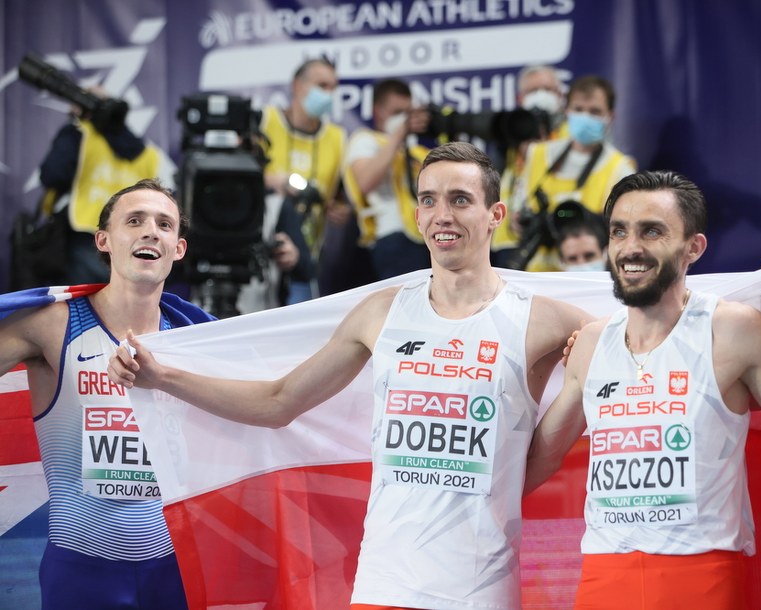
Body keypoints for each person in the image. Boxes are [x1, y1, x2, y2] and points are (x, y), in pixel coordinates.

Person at [109, 142, 592, 609]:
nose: (442, 214)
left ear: (496, 216)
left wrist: (580, 383)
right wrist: (164, 378)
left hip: (480, 590)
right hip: (382, 585)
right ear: (418, 215)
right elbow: (278, 402)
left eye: (460, 199)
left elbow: (641, 351)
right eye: (429, 200)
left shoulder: (543, 320)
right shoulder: (382, 313)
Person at [525, 170, 761, 609]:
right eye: (619, 231)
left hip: (701, 577)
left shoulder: (732, 331)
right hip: (602, 577)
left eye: (652, 231)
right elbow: (534, 463)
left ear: (693, 247)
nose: (630, 247)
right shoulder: (593, 343)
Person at [0, 179, 214, 609]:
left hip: (174, 568)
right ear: (104, 240)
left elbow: (274, 402)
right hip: (79, 565)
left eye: (164, 225)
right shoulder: (52, 325)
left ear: (178, 249)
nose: (151, 231)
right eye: (134, 221)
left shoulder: (198, 339)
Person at [38, 88, 173, 284]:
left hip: (86, 237)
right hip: (134, 243)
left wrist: (73, 126)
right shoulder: (146, 151)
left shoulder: (79, 135)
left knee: (85, 307)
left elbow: (52, 175)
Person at [509, 74, 636, 271]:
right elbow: (517, 217)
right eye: (578, 110)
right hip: (537, 276)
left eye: (595, 111)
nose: (585, 117)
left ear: (611, 116)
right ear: (566, 110)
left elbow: (622, 232)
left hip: (586, 276)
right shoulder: (537, 154)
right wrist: (522, 222)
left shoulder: (620, 167)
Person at [260, 57, 349, 303]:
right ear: (298, 86)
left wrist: (339, 208)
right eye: (322, 85)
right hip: (259, 253)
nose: (329, 94)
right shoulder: (264, 122)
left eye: (333, 87)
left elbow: (341, 197)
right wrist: (275, 181)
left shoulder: (337, 138)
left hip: (305, 259)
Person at [342, 78, 432, 279]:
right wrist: (400, 133)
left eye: (408, 113)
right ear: (378, 111)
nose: (404, 119)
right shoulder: (365, 139)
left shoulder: (416, 150)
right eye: (397, 113)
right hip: (392, 238)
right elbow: (364, 181)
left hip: (425, 238)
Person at [492, 64, 567, 268]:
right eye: (532, 91)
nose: (540, 96)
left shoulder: (571, 136)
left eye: (547, 89)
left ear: (560, 95)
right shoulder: (508, 137)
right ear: (520, 99)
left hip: (555, 247)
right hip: (507, 244)